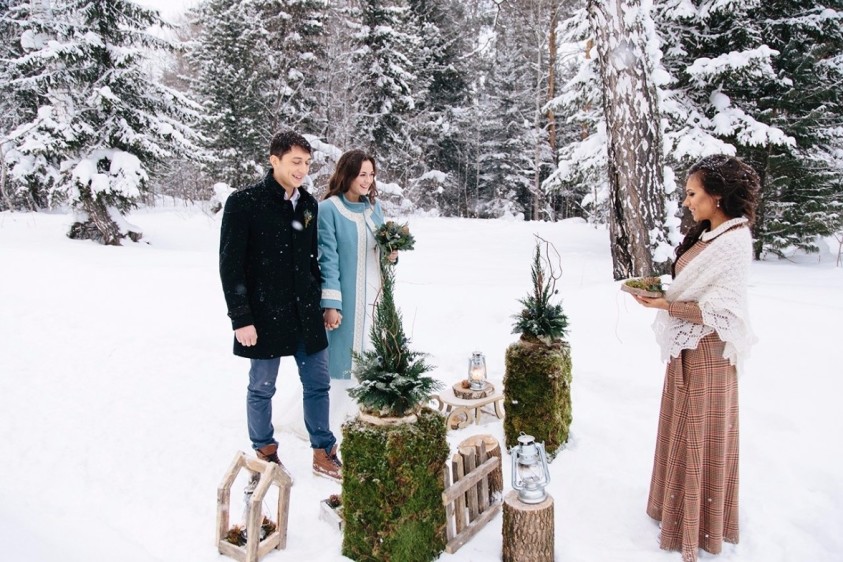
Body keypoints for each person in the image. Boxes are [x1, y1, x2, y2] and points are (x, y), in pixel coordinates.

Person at [631, 154, 759, 562]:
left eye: (692, 193)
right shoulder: (709, 234)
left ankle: (696, 526)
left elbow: (722, 311)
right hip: (687, 346)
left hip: (709, 353)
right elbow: (693, 287)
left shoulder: (734, 241)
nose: (686, 202)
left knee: (698, 435)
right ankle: (674, 510)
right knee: (680, 429)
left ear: (716, 196)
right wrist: (664, 296)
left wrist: (665, 305)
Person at [219, 130, 342, 482]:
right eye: (295, 162)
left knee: (318, 384)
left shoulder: (308, 205)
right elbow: (230, 266)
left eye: (307, 163)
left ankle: (323, 452)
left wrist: (322, 302)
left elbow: (310, 261)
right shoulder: (244, 202)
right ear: (274, 160)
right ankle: (265, 452)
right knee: (262, 387)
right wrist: (241, 318)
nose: (302, 169)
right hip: (264, 314)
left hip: (305, 312)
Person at [317, 150, 397, 426]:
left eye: (371, 174)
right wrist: (331, 304)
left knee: (373, 348)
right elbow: (327, 259)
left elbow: (380, 249)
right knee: (345, 354)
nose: (367, 180)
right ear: (347, 174)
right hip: (347, 295)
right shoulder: (329, 209)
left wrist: (391, 254)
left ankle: (371, 411)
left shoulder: (375, 208)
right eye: (362, 174)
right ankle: (337, 417)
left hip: (376, 293)